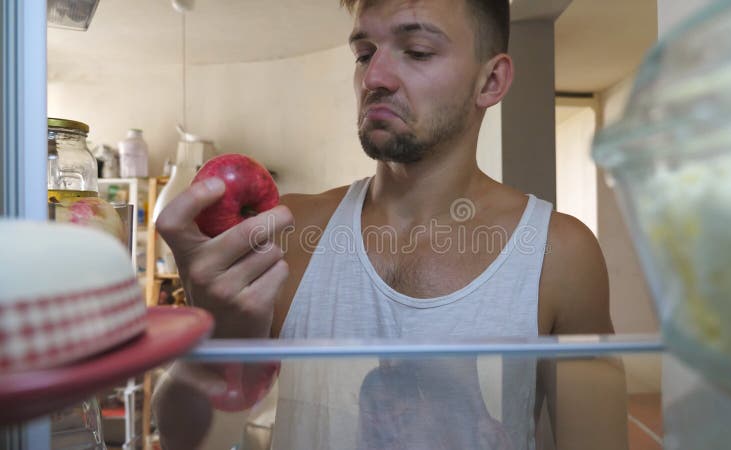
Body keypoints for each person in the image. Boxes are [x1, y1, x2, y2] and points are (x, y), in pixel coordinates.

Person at [152, 0, 627, 449]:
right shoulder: (288, 233)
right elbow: (191, 441)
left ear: (491, 81)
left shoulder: (560, 254)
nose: (374, 77)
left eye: (417, 51)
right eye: (364, 53)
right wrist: (215, 340)